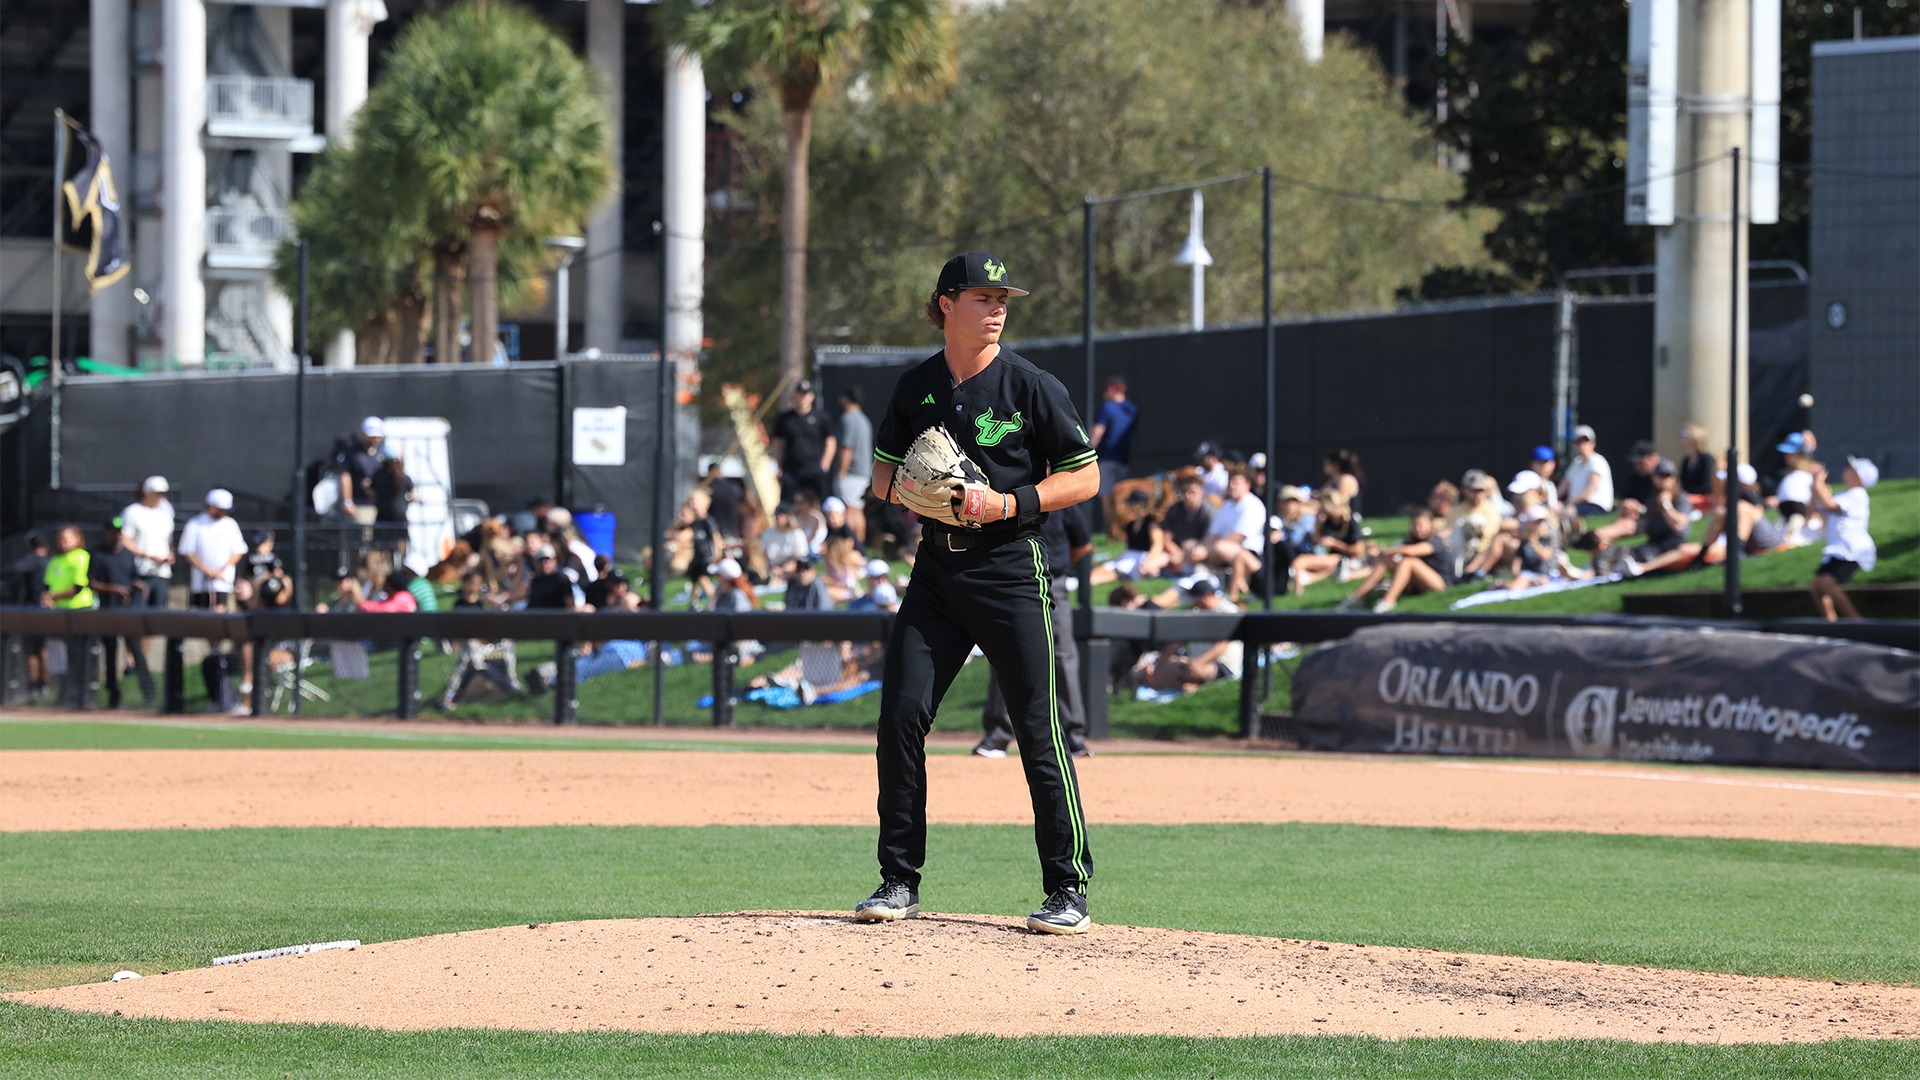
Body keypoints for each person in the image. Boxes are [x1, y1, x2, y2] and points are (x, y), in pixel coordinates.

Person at [857, 250, 1098, 935]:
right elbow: (881, 481)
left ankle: (1067, 887)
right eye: (982, 297)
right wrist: (914, 490)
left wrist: (1006, 502)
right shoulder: (916, 387)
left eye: (1002, 300)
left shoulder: (1031, 386)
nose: (996, 309)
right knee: (901, 715)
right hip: (936, 574)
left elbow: (1084, 478)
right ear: (945, 305)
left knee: (1037, 727)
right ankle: (898, 879)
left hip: (1011, 570)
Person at [976, 503, 1093, 759]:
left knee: (1062, 656)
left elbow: (1083, 544)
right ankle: (997, 736)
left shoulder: (1063, 502)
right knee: (1005, 654)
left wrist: (1059, 568)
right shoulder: (1009, 495)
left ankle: (1074, 737)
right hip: (1012, 582)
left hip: (1053, 581)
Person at [89, 519, 155, 707]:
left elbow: (133, 577)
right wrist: (114, 589)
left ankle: (149, 693)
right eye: (113, 531)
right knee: (110, 654)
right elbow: (91, 582)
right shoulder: (98, 554)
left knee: (136, 652)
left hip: (127, 613)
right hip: (108, 612)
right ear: (106, 533)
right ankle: (113, 694)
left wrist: (138, 585)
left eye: (119, 531)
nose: (116, 535)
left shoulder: (127, 554)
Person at [1337, 510, 1452, 613]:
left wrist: (1388, 551)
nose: (1418, 528)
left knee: (1408, 561)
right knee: (1386, 560)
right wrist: (1378, 554)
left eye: (1421, 525)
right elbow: (1397, 555)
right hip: (1416, 585)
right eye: (1415, 525)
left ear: (1430, 524)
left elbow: (1413, 551)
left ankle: (1388, 601)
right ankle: (1357, 597)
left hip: (1439, 585)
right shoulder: (1410, 540)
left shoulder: (1435, 541)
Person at [1809, 456, 1878, 621]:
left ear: (1859, 476)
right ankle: (1830, 621)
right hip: (1838, 550)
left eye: (1851, 469)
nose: (1846, 470)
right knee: (1816, 585)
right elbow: (1816, 508)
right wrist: (1814, 486)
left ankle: (1856, 621)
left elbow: (1829, 505)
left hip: (1852, 550)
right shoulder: (1845, 494)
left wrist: (1819, 482)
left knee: (1826, 584)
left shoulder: (1858, 494)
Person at [1197, 470, 1266, 600]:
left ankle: (1233, 593)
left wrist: (1208, 549)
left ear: (1247, 485)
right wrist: (1201, 547)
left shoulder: (1253, 505)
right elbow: (1213, 532)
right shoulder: (1226, 506)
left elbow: (1239, 536)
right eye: (1231, 483)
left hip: (1247, 553)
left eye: (1237, 483)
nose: (1232, 486)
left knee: (1220, 547)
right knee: (1190, 546)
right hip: (1220, 550)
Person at [177, 489, 249, 610]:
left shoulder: (230, 524)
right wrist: (206, 570)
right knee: (200, 614)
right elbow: (188, 552)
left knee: (219, 611)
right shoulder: (195, 524)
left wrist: (221, 570)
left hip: (222, 581)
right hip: (200, 582)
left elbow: (238, 551)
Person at [771, 379, 836, 504]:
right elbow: (777, 444)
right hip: (792, 469)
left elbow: (830, 442)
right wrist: (779, 466)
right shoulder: (785, 419)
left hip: (814, 468)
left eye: (806, 394)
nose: (802, 398)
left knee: (823, 503)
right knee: (787, 505)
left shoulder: (821, 418)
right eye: (800, 394)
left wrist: (824, 464)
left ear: (812, 396)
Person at [120, 475, 175, 612]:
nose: (160, 497)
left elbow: (168, 542)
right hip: (140, 573)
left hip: (161, 573)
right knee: (138, 617)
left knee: (157, 617)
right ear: (146, 492)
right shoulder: (132, 512)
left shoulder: (165, 515)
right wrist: (146, 555)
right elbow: (125, 540)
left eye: (163, 493)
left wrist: (170, 555)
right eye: (157, 493)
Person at [1088, 377, 1137, 528]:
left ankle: (1112, 530)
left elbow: (1097, 432)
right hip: (1124, 459)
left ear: (1110, 390)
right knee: (1122, 496)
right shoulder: (1132, 409)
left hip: (1106, 458)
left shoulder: (1106, 408)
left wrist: (1087, 452)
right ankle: (1124, 528)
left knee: (1107, 496)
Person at [833, 388, 874, 545]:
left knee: (849, 509)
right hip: (863, 472)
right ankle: (860, 545)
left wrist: (841, 472)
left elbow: (847, 447)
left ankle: (851, 545)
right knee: (857, 510)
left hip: (850, 473)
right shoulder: (864, 420)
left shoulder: (848, 419)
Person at [1155, 474, 1212, 575]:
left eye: (1192, 492)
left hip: (1197, 552)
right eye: (1184, 492)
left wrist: (1189, 553)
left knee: (1189, 546)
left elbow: (1209, 541)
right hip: (1175, 552)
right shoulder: (1174, 509)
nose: (1188, 495)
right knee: (1158, 561)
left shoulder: (1208, 512)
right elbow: (1167, 538)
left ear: (1201, 492)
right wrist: (1176, 553)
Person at [336, 416, 387, 524]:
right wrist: (348, 502)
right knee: (364, 537)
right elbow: (345, 477)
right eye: (372, 436)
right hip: (362, 506)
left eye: (378, 436)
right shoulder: (353, 453)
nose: (376, 439)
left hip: (382, 506)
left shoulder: (384, 452)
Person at [1561, 425, 1614, 518]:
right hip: (1577, 505)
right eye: (1578, 443)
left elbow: (1589, 491)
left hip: (1595, 506)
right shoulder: (1576, 463)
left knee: (1567, 513)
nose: (1582, 446)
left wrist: (1569, 503)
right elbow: (1563, 487)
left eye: (1585, 442)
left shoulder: (1598, 461)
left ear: (1593, 444)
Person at [1678, 424, 1717, 510]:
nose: (1684, 440)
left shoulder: (1707, 459)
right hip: (1688, 497)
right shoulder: (1686, 460)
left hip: (1703, 499)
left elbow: (1707, 484)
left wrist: (1691, 495)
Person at [1321, 449, 1365, 517]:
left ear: (1335, 465)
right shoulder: (1333, 479)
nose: (1324, 465)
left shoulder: (1347, 479)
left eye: (1327, 463)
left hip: (1345, 522)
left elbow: (1340, 502)